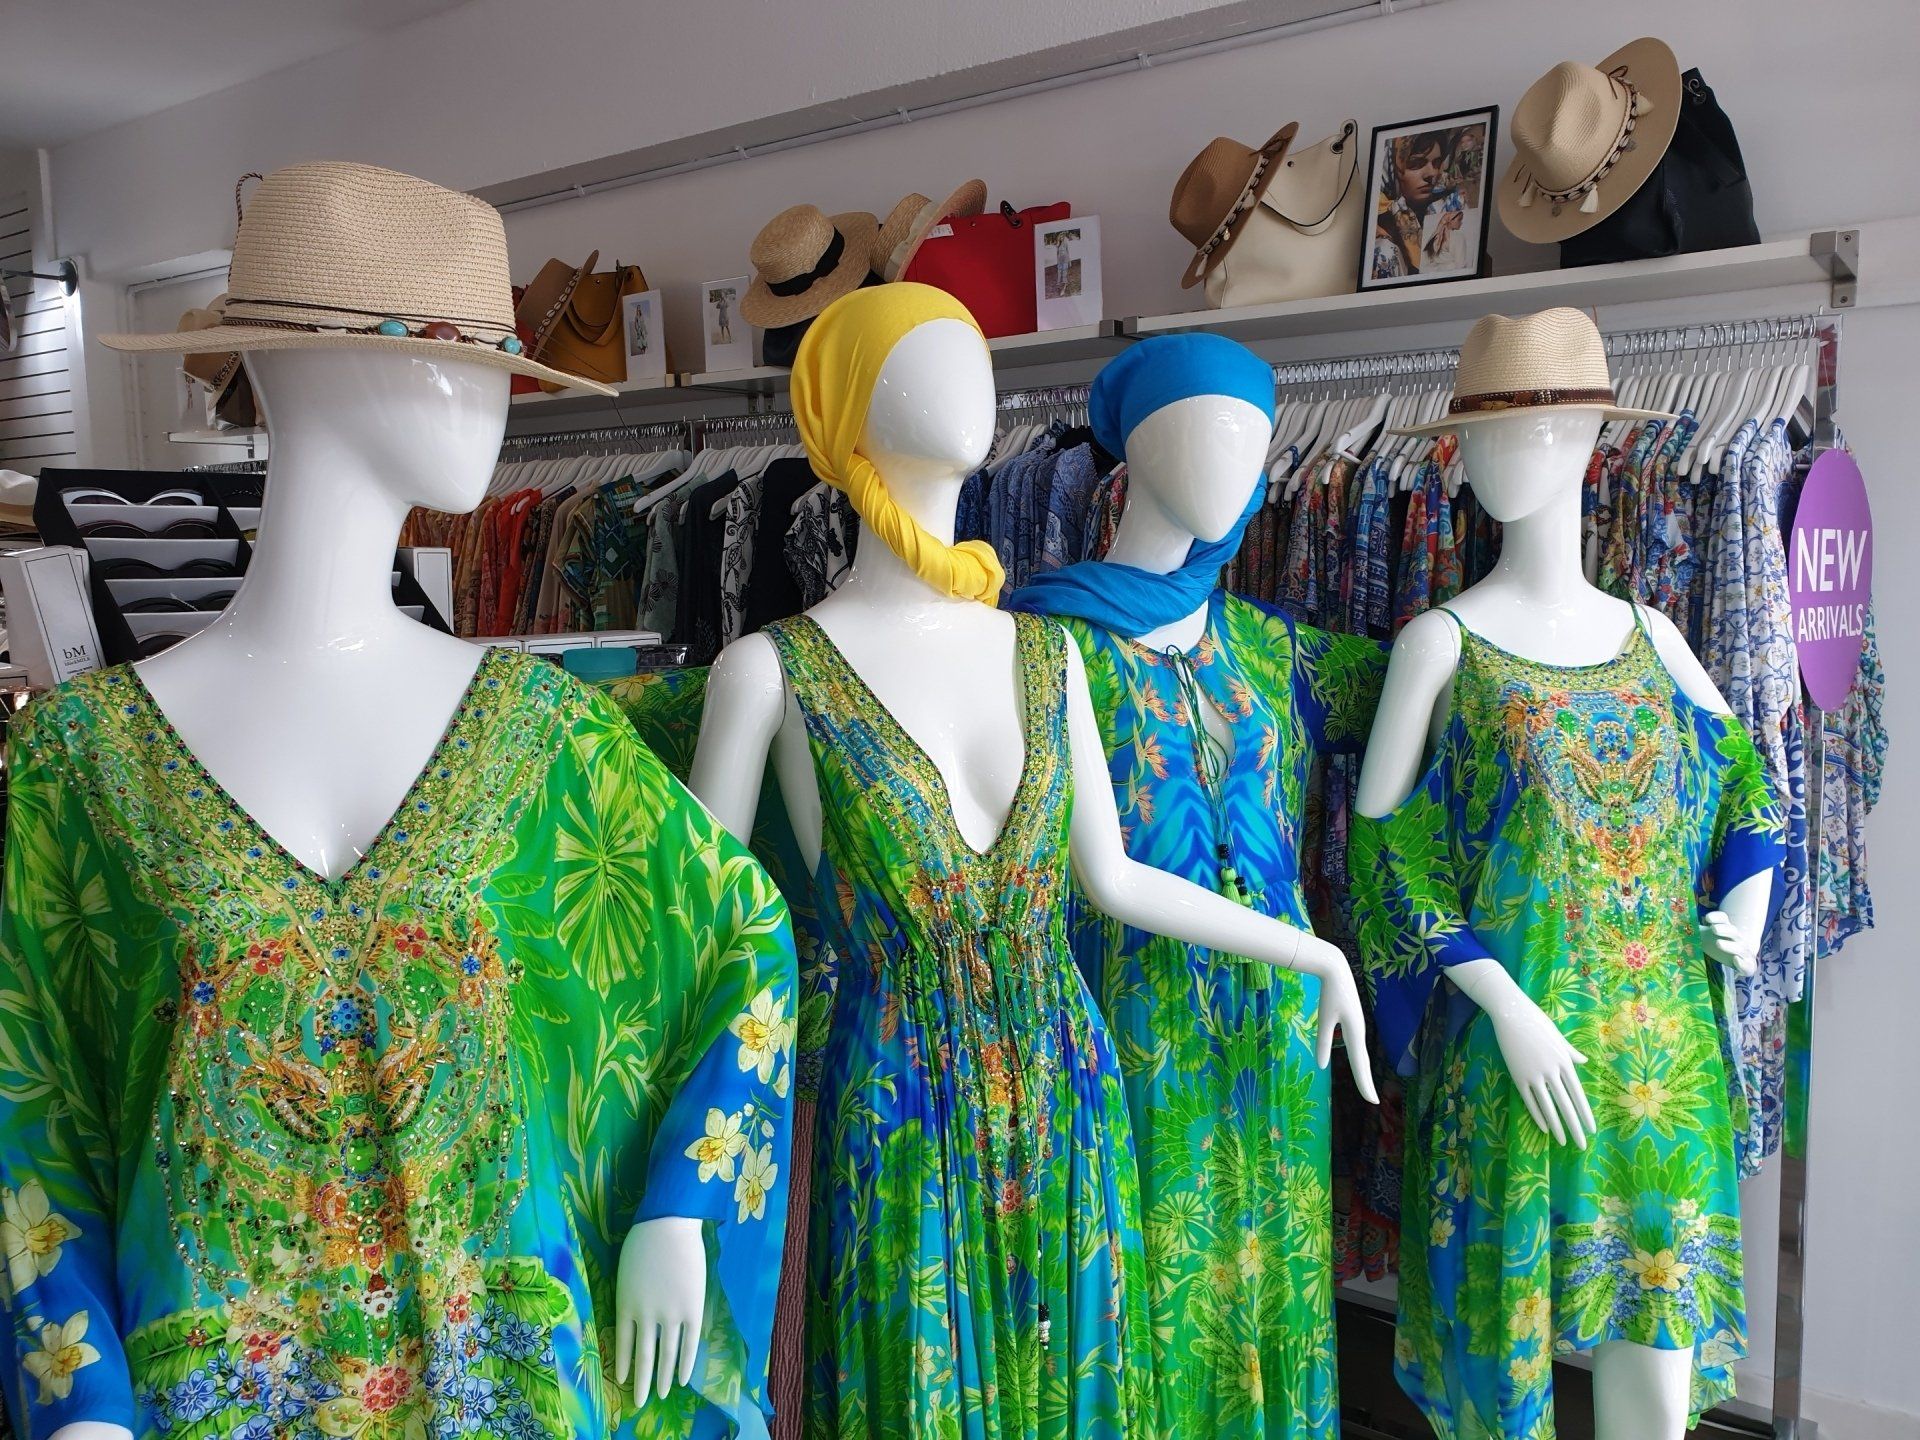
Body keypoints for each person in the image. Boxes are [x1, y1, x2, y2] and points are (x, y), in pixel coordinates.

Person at [1371, 130, 1465, 279]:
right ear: (1393, 169)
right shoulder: (1381, 243)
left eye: (1436, 163)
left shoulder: (1447, 206)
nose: (1431, 173)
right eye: (1416, 163)